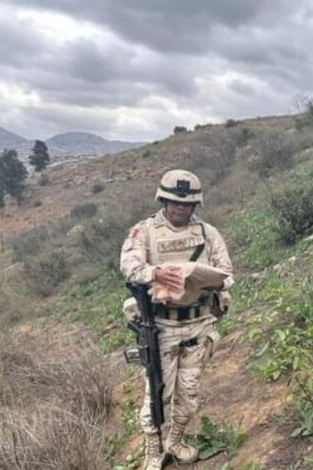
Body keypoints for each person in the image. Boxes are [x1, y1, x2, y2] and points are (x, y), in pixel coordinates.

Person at [120, 169, 234, 470]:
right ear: (163, 200)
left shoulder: (208, 233)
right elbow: (129, 267)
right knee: (157, 392)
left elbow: (227, 272)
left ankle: (176, 441)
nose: (180, 207)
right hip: (163, 327)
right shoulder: (144, 231)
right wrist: (154, 273)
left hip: (198, 323)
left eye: (187, 203)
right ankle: (153, 452)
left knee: (189, 390)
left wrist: (212, 282)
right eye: (174, 202)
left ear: (195, 205)